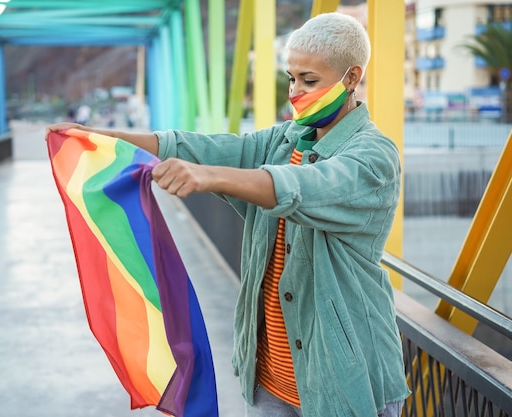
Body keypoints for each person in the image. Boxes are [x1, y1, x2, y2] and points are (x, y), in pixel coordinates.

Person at [46, 12, 410, 417]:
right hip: (269, 381)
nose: (295, 92)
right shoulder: (283, 139)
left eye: (309, 80)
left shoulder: (374, 155)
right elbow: (207, 147)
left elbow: (303, 187)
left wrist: (206, 177)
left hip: (344, 385)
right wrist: (107, 139)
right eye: (291, 78)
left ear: (351, 77)